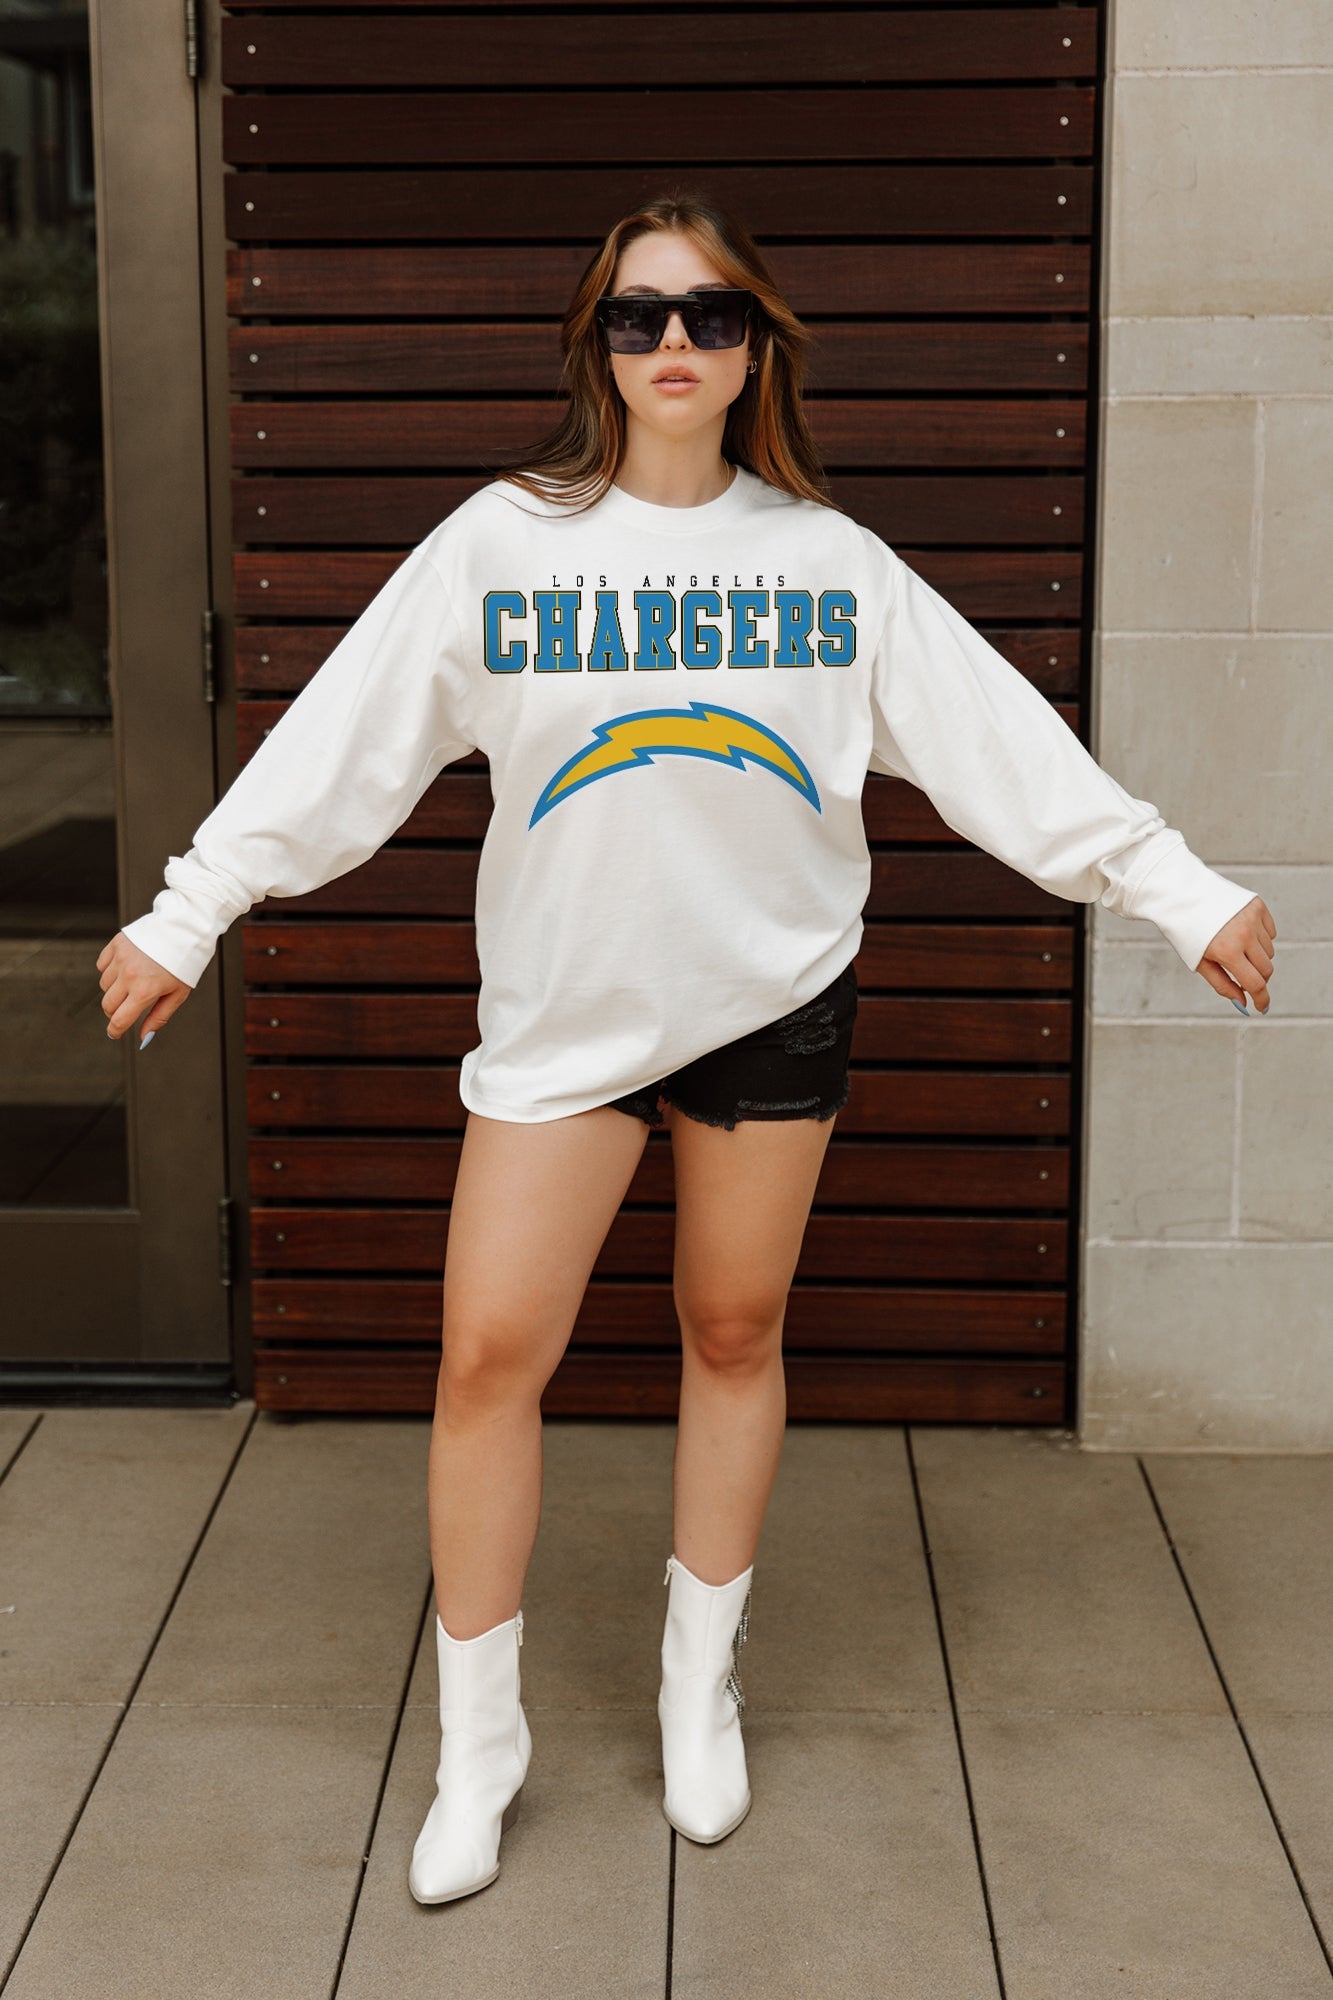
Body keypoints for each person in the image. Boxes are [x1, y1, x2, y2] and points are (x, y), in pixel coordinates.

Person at [96, 190, 1278, 1905]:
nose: (673, 343)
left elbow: (999, 750)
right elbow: (340, 744)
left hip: (769, 1000)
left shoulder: (829, 564)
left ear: (754, 351)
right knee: (487, 1358)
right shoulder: (501, 544)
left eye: (710, 317)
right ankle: (478, 1750)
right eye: (638, 315)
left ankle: (693, 1686)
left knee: (731, 1332)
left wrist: (1173, 887)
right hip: (566, 1018)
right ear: (595, 344)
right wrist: (191, 909)